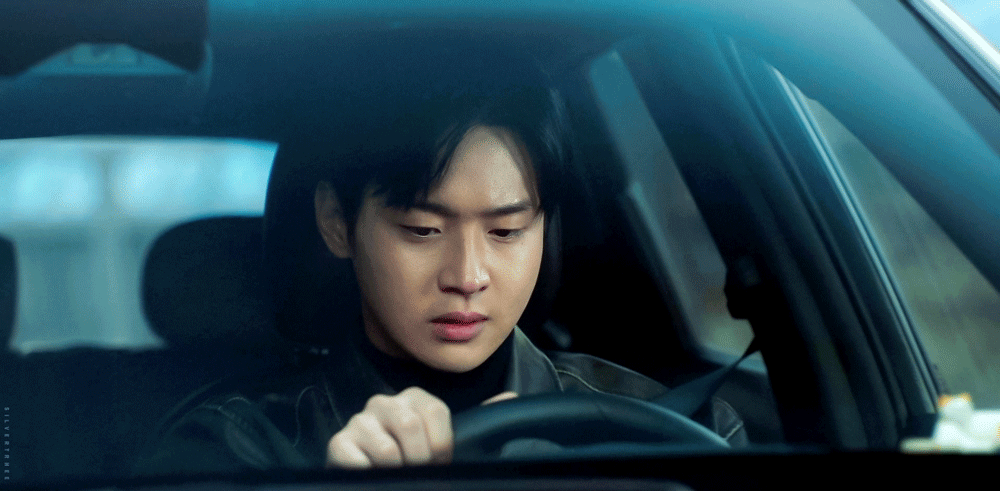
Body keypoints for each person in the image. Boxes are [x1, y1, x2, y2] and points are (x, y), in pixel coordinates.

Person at [134, 39, 747, 475]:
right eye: (423, 230)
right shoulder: (238, 449)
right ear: (337, 223)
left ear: (544, 229)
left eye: (506, 231)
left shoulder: (668, 429)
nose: (468, 277)